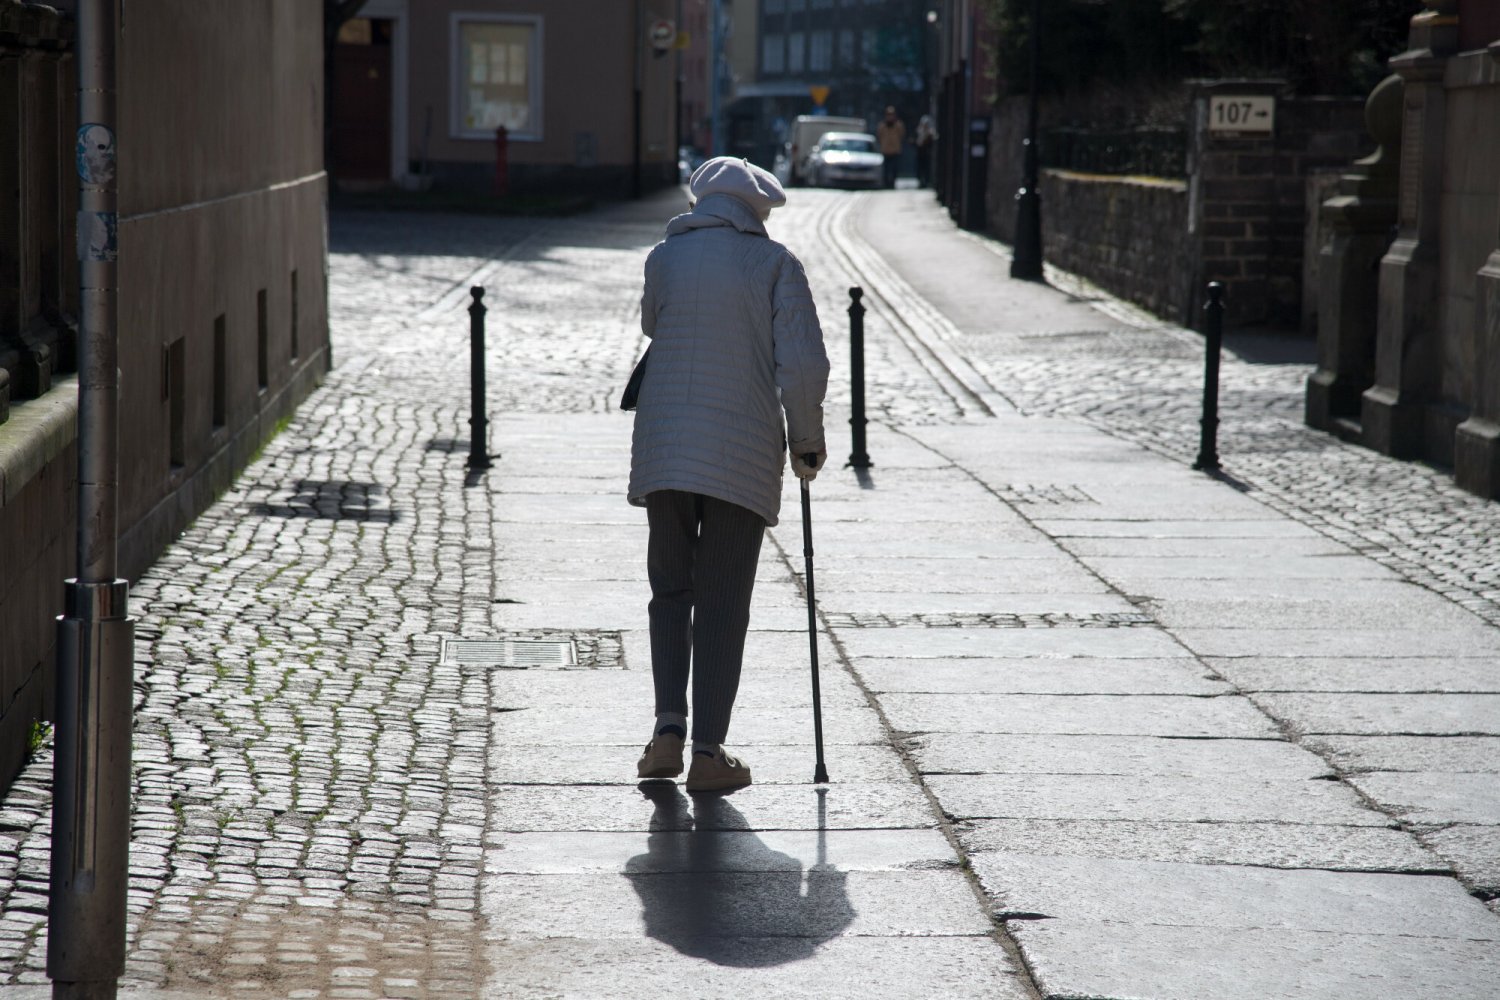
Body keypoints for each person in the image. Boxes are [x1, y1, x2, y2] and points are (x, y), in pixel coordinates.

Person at [628, 157, 830, 793]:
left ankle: (666, 733)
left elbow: (653, 324)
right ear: (756, 211)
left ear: (700, 203)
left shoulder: (664, 258)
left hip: (664, 449)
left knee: (670, 590)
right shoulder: (775, 265)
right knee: (722, 601)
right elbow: (803, 367)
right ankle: (708, 754)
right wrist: (807, 443)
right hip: (739, 453)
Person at [876, 106, 906, 189]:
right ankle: (886, 184)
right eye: (888, 114)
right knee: (886, 169)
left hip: (895, 150)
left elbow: (902, 135)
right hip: (885, 150)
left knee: (894, 169)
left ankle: (892, 183)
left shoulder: (898, 125)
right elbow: (879, 136)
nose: (890, 116)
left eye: (892, 114)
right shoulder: (882, 126)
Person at [914, 114, 936, 189]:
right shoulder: (919, 130)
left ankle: (927, 181)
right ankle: (921, 181)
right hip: (920, 152)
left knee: (927, 168)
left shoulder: (930, 131)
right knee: (920, 168)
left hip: (927, 152)